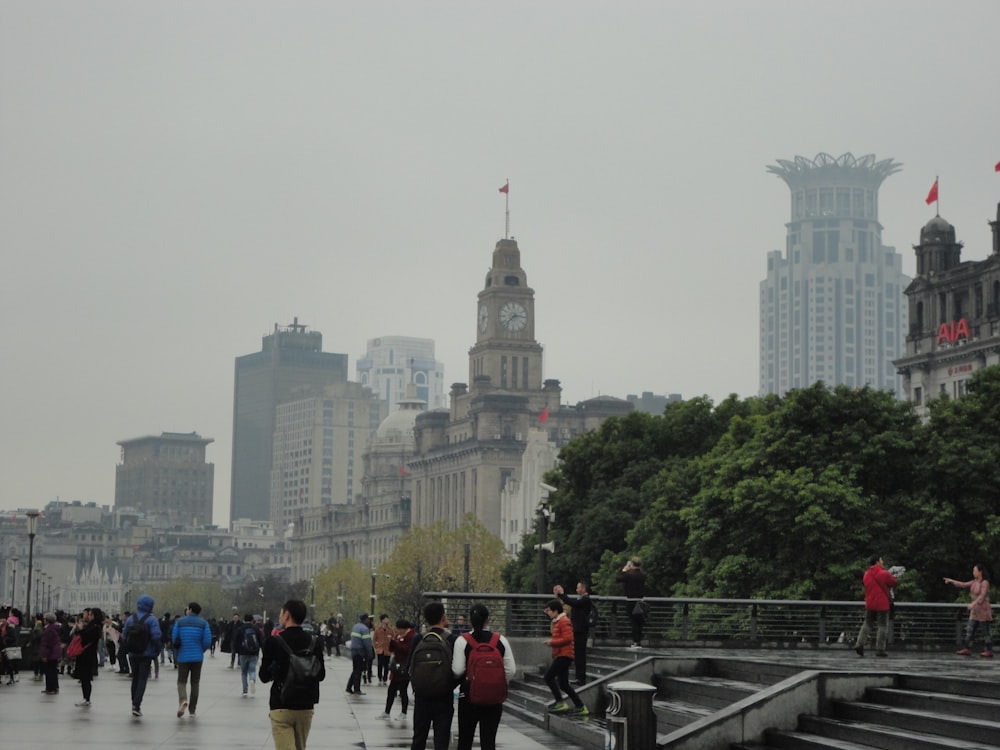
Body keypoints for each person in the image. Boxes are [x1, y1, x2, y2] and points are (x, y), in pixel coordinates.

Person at [259, 599, 326, 750]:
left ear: (287, 615)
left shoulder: (273, 641)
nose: (280, 616)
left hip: (281, 705)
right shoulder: (314, 642)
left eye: (281, 613)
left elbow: (263, 676)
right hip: (306, 705)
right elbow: (321, 675)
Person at [451, 603, 516, 750]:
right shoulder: (501, 640)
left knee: (465, 741)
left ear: (470, 620)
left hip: (468, 697)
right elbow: (511, 670)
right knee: (488, 742)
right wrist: (495, 682)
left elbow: (457, 670)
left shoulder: (462, 641)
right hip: (493, 698)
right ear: (488, 620)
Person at [408, 601, 457, 750]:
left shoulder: (419, 639)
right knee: (441, 740)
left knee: (419, 738)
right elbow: (458, 669)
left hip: (422, 696)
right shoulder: (451, 639)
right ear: (443, 617)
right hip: (444, 697)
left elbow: (409, 666)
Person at [542, 599, 587, 715]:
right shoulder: (558, 621)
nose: (547, 613)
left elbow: (568, 639)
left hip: (564, 655)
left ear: (555, 611)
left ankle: (560, 702)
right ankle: (580, 706)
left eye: (549, 611)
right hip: (561, 654)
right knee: (563, 684)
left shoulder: (564, 621)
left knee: (548, 677)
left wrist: (552, 643)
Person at [122, 594, 163, 716]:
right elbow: (156, 636)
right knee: (142, 680)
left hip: (133, 654)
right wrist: (157, 649)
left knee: (134, 678)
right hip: (146, 654)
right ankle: (137, 704)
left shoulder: (130, 619)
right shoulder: (151, 620)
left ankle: (133, 702)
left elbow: (124, 636)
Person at [172, 601, 212, 718]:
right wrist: (201, 650)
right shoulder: (203, 623)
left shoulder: (179, 622)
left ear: (189, 610)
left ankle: (183, 700)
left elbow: (175, 638)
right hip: (197, 657)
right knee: (195, 682)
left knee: (181, 681)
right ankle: (192, 710)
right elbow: (207, 641)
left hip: (183, 656)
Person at [853, 555, 897, 658]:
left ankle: (859, 644)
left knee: (867, 624)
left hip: (870, 603)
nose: (883, 562)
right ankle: (880, 649)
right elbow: (894, 583)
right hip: (882, 604)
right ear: (877, 562)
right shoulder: (884, 574)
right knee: (882, 626)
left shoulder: (866, 574)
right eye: (881, 560)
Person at [944, 564, 993, 658]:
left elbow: (982, 596)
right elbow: (963, 584)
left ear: (980, 572)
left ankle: (988, 650)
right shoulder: (974, 581)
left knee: (985, 631)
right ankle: (967, 648)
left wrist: (973, 604)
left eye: (975, 571)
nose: (973, 572)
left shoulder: (984, 583)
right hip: (975, 611)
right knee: (970, 629)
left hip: (983, 609)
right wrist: (951, 581)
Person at [554, 581, 593, 684]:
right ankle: (578, 677)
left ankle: (581, 678)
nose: (576, 590)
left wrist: (562, 594)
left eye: (578, 587)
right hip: (576, 629)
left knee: (580, 654)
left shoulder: (585, 600)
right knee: (576, 654)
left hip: (581, 630)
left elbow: (573, 603)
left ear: (584, 589)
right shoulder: (580, 600)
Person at [384, 618, 415, 719]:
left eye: (399, 629)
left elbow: (406, 650)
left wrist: (396, 643)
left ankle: (404, 712)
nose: (398, 631)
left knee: (403, 691)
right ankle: (387, 712)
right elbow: (392, 649)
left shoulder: (411, 637)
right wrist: (391, 642)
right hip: (396, 667)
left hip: (404, 667)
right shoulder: (397, 636)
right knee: (391, 690)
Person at [73, 607, 104, 708]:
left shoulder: (95, 627)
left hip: (87, 654)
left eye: (91, 614)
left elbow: (86, 638)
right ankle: (85, 697)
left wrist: (81, 629)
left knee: (86, 678)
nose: (88, 616)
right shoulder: (91, 625)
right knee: (84, 678)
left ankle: (86, 698)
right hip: (84, 654)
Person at [616, 556, 647, 648]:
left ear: (632, 564)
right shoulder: (643, 575)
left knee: (633, 622)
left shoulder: (629, 575)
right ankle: (639, 641)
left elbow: (618, 579)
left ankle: (635, 642)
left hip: (631, 601)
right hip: (640, 601)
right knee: (639, 622)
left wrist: (625, 570)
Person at [345, 613, 373, 695]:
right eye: (368, 619)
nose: (369, 621)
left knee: (355, 669)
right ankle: (357, 689)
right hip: (361, 651)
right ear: (365, 619)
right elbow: (367, 643)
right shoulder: (364, 629)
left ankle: (349, 687)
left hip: (354, 650)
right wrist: (370, 653)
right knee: (358, 670)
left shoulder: (355, 626)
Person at [236, 612, 263, 696]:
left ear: (244, 620)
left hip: (243, 653)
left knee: (243, 672)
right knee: (252, 670)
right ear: (252, 620)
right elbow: (260, 641)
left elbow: (237, 641)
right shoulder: (256, 629)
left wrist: (238, 651)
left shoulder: (241, 629)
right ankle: (252, 680)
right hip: (254, 653)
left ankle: (245, 690)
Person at [40, 612, 62, 695]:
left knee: (50, 671)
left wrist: (44, 655)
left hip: (51, 653)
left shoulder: (49, 630)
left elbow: (47, 643)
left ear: (47, 620)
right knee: (52, 671)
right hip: (54, 653)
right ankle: (51, 687)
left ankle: (52, 688)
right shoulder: (54, 628)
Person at [373, 614, 394, 686]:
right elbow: (374, 639)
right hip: (380, 649)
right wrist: (376, 646)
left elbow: (393, 639)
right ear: (382, 620)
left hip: (387, 650)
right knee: (380, 664)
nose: (387, 620)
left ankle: (385, 677)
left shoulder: (390, 630)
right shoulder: (378, 629)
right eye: (386, 619)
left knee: (386, 664)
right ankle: (379, 676)